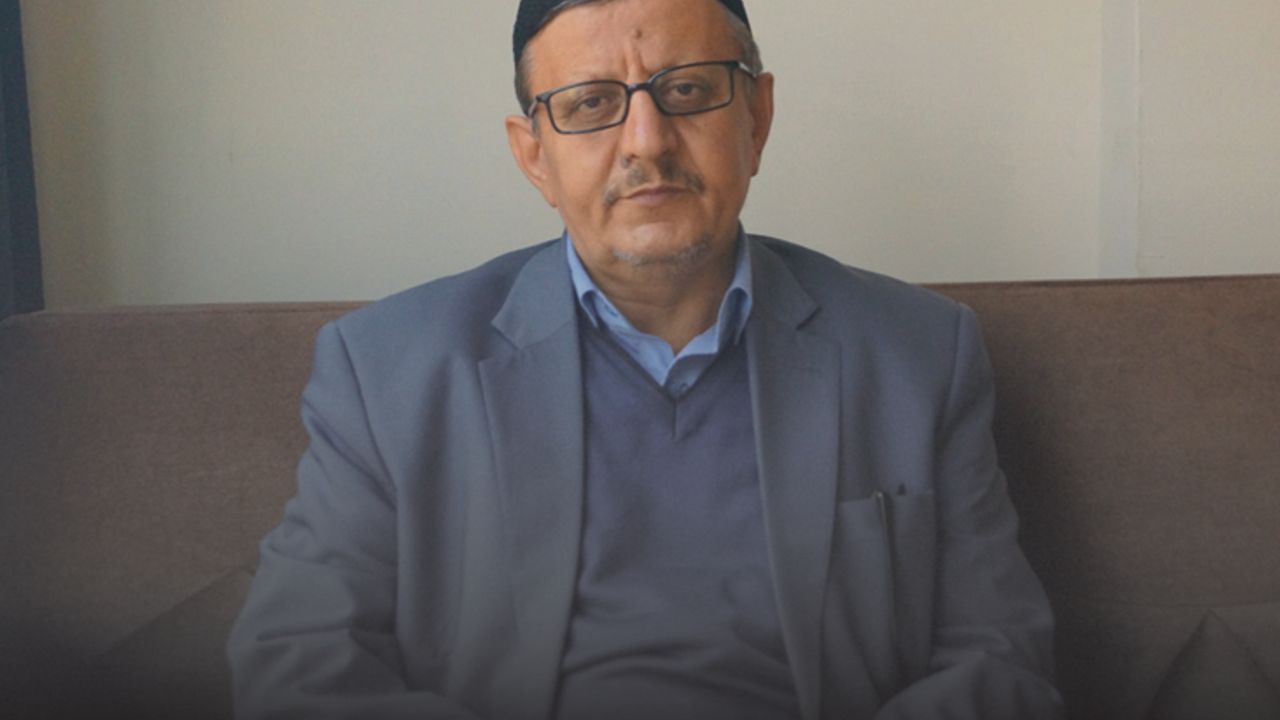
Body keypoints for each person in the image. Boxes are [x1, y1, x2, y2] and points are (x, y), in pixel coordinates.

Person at [227, 0, 1064, 718]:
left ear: (758, 118)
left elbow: (1001, 660)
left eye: (688, 89)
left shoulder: (919, 353)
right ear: (533, 155)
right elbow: (295, 664)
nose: (646, 140)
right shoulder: (386, 371)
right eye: (591, 103)